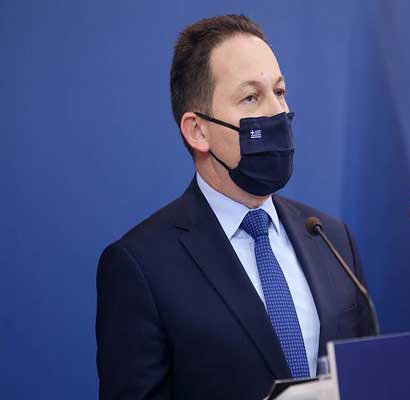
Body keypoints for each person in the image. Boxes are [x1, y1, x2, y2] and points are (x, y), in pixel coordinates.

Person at [96, 14, 374, 400]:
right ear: (198, 130)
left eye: (279, 91)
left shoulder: (332, 239)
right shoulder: (141, 266)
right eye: (251, 97)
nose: (277, 112)